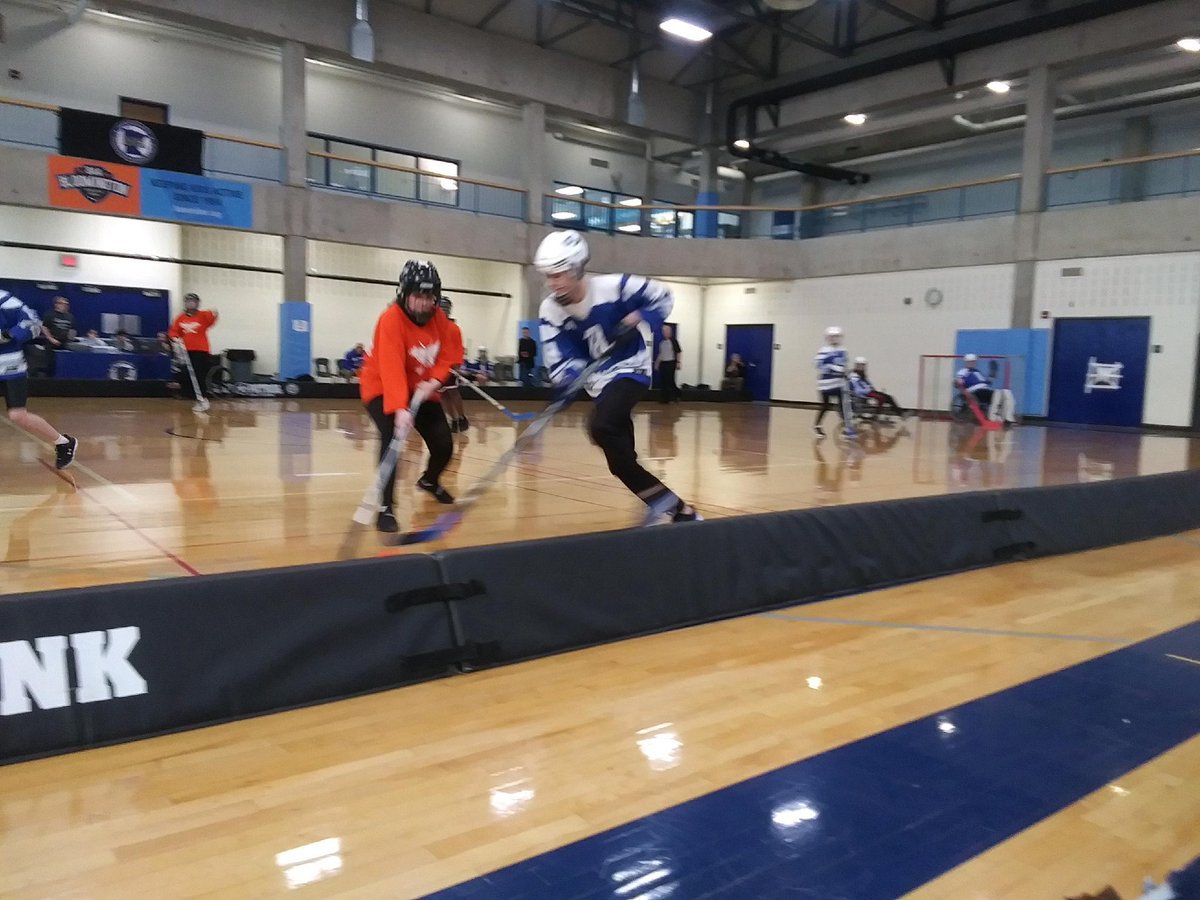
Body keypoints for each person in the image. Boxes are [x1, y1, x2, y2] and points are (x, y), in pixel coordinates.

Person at [534, 230, 700, 524]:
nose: (551, 283)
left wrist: (638, 317)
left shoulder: (616, 287)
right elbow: (556, 359)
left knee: (601, 425)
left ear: (576, 268)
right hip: (598, 383)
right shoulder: (550, 309)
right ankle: (679, 510)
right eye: (548, 276)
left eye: (557, 275)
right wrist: (567, 381)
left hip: (630, 370)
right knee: (620, 464)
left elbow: (663, 297)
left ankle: (670, 507)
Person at [358, 259, 459, 533]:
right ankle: (385, 506)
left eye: (430, 297)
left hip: (421, 386)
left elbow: (448, 354)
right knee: (392, 437)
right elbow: (390, 367)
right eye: (418, 296)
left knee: (443, 444)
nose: (425, 303)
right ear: (404, 293)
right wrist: (400, 408)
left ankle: (429, 480)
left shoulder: (439, 318)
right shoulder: (390, 320)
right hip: (381, 386)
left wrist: (435, 381)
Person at [0, 288, 77, 469]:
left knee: (18, 415)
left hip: (9, 365)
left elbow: (31, 320)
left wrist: (8, 335)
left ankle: (63, 442)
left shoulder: (3, 299)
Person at [167, 292, 218, 401]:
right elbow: (174, 331)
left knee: (199, 372)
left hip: (200, 349)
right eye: (188, 301)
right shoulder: (180, 318)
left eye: (193, 301)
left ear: (197, 303)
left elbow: (211, 320)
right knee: (185, 372)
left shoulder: (203, 315)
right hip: (185, 349)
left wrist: (214, 314)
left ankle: (201, 394)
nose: (190, 304)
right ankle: (187, 393)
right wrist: (175, 339)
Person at [814, 325, 855, 440]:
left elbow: (844, 365)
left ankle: (847, 428)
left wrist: (845, 373)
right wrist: (833, 367)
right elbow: (818, 365)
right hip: (826, 384)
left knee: (844, 405)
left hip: (839, 383)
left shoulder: (843, 350)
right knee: (826, 406)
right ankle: (817, 426)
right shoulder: (823, 350)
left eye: (836, 336)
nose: (834, 339)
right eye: (832, 336)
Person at [956, 353, 1016, 427]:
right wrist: (961, 385)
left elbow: (987, 382)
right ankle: (993, 417)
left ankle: (1008, 418)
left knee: (1007, 393)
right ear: (966, 363)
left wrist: (992, 374)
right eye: (970, 362)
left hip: (985, 389)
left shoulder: (978, 372)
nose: (972, 363)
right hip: (976, 391)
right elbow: (959, 381)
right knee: (997, 395)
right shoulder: (963, 371)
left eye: (974, 362)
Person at [438, 296, 469, 432]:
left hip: (451, 366)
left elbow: (459, 348)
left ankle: (462, 418)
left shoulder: (454, 328)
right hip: (438, 367)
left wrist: (457, 364)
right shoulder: (434, 327)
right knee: (443, 395)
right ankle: (453, 419)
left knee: (453, 392)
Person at [656, 323, 682, 403]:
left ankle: (677, 394)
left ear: (670, 331)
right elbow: (661, 354)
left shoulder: (674, 341)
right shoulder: (662, 343)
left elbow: (678, 352)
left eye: (666, 330)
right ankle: (664, 399)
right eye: (663, 331)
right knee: (663, 381)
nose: (665, 332)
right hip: (663, 363)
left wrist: (678, 362)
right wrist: (657, 363)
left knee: (669, 380)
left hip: (671, 363)